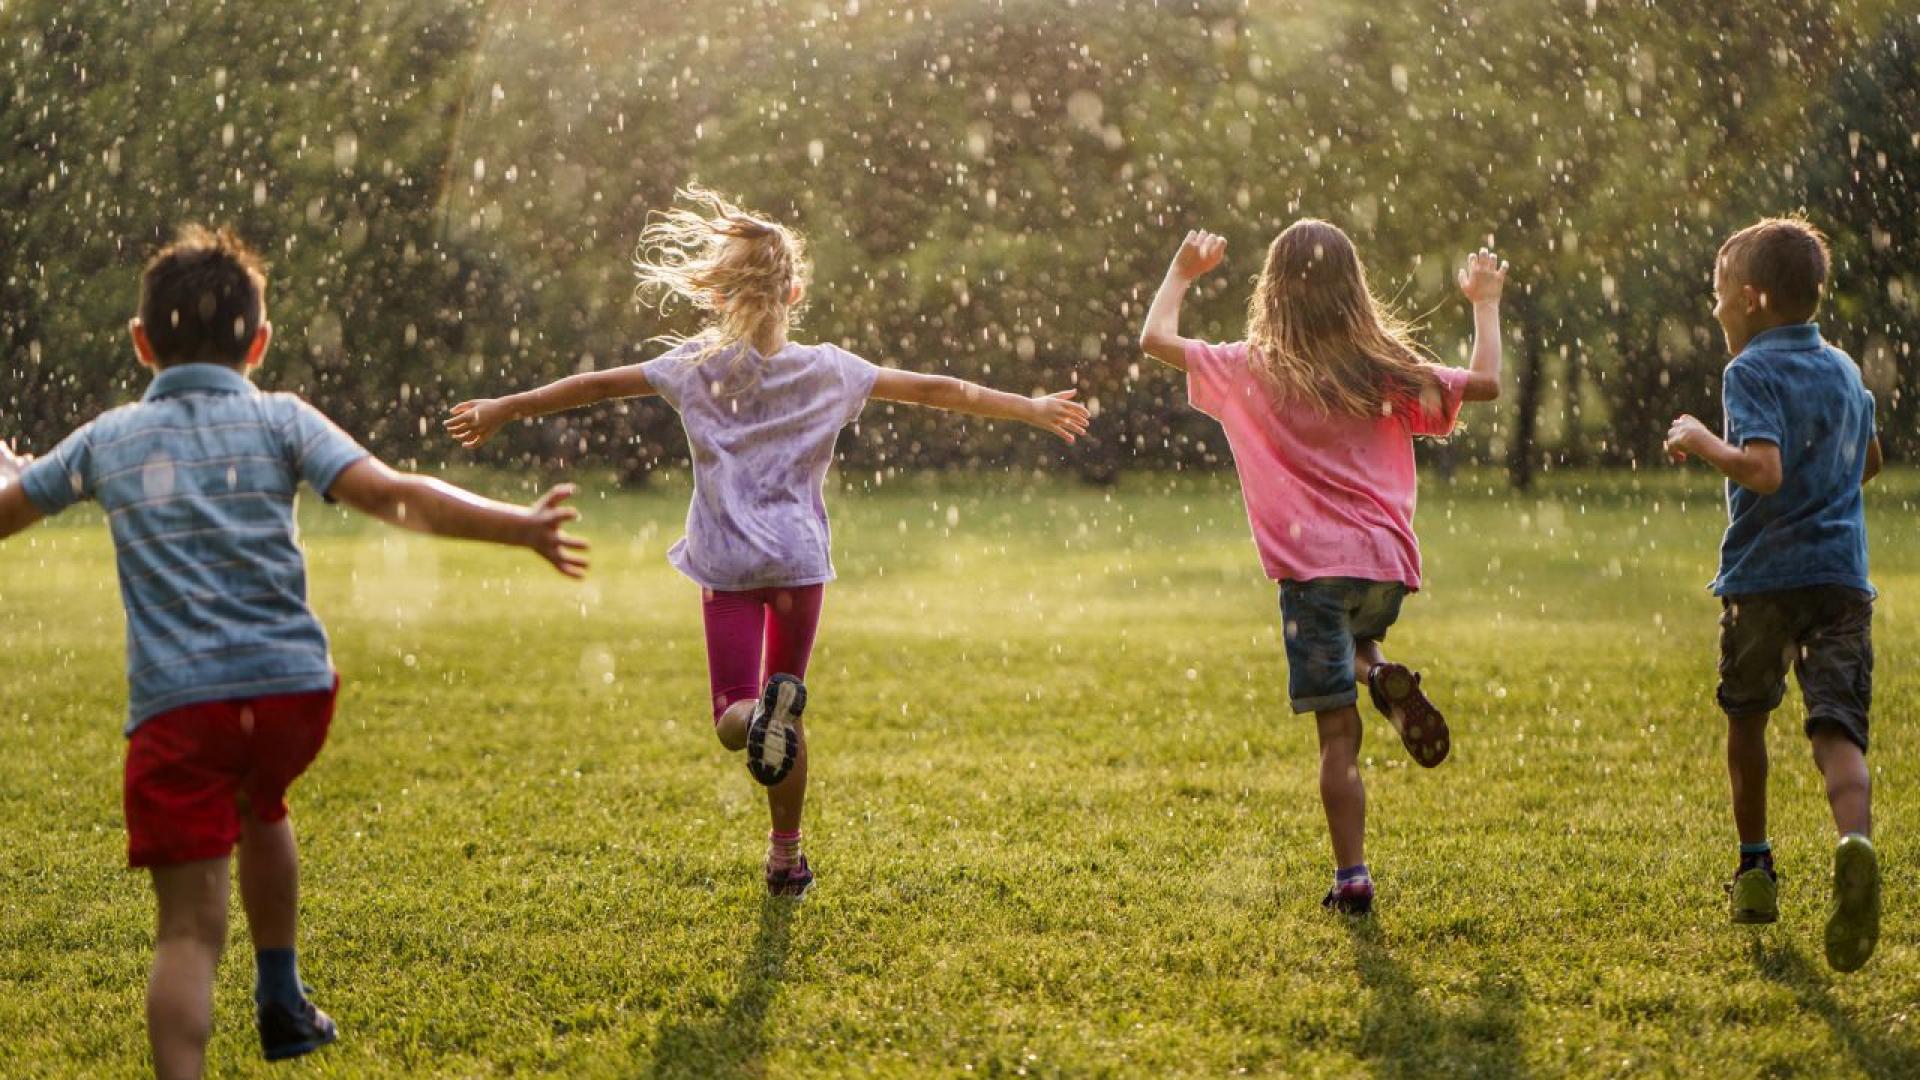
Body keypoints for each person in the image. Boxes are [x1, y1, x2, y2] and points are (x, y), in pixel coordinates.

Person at [0, 225, 588, 1079]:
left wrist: (10, 473)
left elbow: (9, 512)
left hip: (181, 709)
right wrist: (518, 527)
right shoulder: (280, 417)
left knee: (188, 932)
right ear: (260, 343)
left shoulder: (108, 438)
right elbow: (394, 494)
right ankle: (280, 988)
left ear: (140, 343)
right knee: (262, 802)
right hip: (287, 696)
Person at [444, 186, 1088, 898]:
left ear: (719, 296)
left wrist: (507, 407)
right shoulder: (833, 370)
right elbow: (938, 389)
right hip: (798, 564)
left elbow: (595, 386)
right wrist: (1028, 407)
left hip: (728, 564)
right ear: (796, 292)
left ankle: (758, 716)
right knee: (791, 710)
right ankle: (787, 857)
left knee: (733, 716)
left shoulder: (693, 366)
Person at [1136, 220, 1505, 915]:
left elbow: (1155, 340)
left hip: (1311, 574)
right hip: (1384, 568)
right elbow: (1485, 382)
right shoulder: (1382, 369)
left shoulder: (1251, 367)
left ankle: (1352, 877)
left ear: (1272, 290)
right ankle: (1380, 673)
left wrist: (1182, 273)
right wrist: (1484, 302)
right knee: (1355, 639)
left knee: (1338, 737)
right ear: (1353, 289)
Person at [1664, 215, 1883, 972]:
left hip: (1763, 581)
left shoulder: (1749, 370)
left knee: (1748, 717)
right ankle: (1854, 843)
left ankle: (1755, 866)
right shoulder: (1845, 370)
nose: (1714, 306)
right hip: (1841, 578)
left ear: (1752, 298)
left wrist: (1700, 440)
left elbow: (1763, 470)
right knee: (1836, 729)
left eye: (1719, 292)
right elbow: (1869, 461)